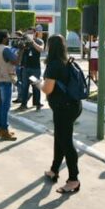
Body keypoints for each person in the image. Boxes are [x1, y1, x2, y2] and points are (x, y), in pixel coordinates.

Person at [38, 34, 83, 194]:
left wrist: (38, 84)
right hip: (73, 106)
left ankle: (73, 180)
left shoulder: (53, 65)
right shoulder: (66, 61)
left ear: (50, 47)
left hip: (64, 108)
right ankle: (54, 170)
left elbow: (47, 89)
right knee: (60, 138)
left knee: (66, 143)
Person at [0, 30, 19, 140]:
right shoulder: (5, 49)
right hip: (5, 79)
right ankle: (4, 130)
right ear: (3, 38)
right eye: (7, 37)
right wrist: (21, 50)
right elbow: (16, 61)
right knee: (5, 106)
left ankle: (1, 129)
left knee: (1, 105)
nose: (9, 39)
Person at [17, 29, 45, 111]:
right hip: (26, 68)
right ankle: (23, 104)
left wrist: (32, 42)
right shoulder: (25, 41)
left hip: (35, 68)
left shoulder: (39, 41)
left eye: (31, 33)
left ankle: (37, 103)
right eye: (28, 33)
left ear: (35, 33)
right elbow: (20, 52)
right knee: (25, 86)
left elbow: (41, 49)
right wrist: (22, 45)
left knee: (36, 86)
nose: (29, 34)